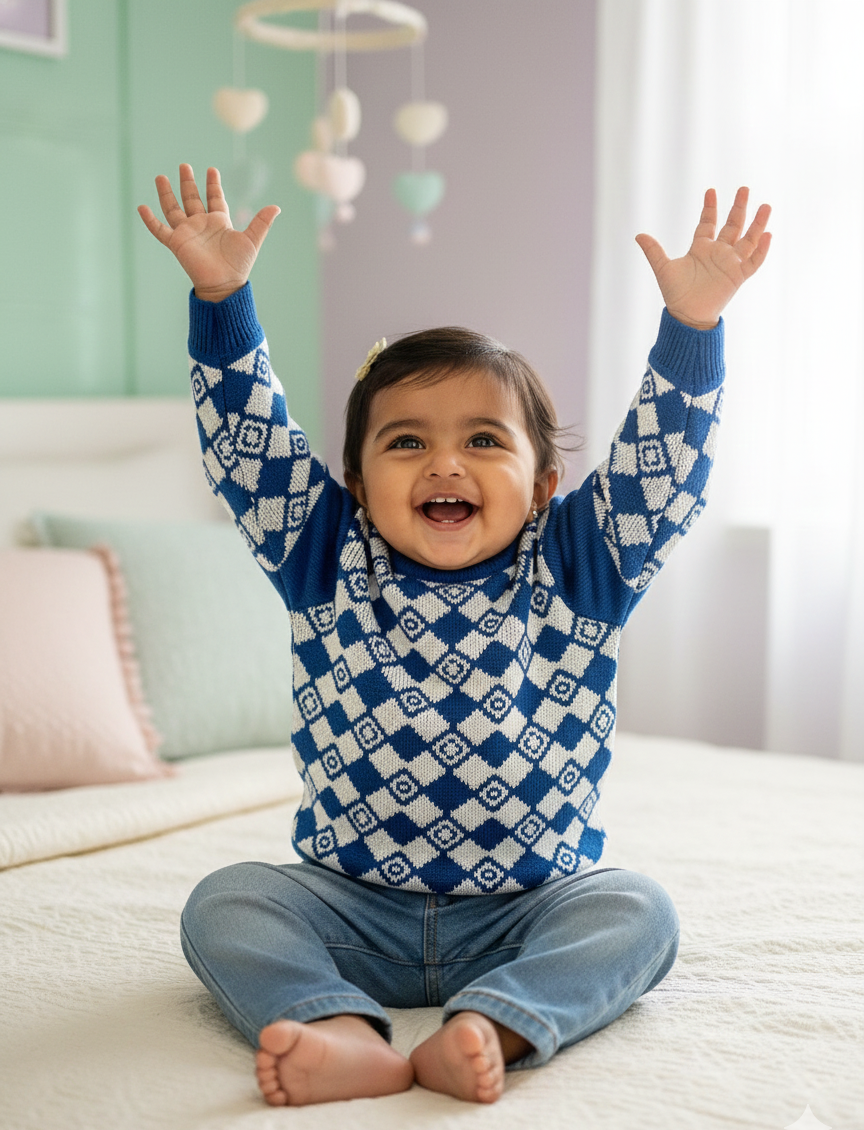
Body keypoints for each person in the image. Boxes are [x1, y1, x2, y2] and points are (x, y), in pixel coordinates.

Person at [138, 165, 771, 1107]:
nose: (444, 462)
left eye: (484, 440)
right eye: (405, 443)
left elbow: (662, 473)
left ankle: (495, 1022)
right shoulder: (324, 556)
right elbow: (251, 446)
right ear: (354, 482)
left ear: (544, 482)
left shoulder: (577, 565)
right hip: (351, 906)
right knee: (226, 902)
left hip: (527, 910)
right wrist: (223, 298)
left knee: (637, 910)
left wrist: (694, 331)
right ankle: (339, 1027)